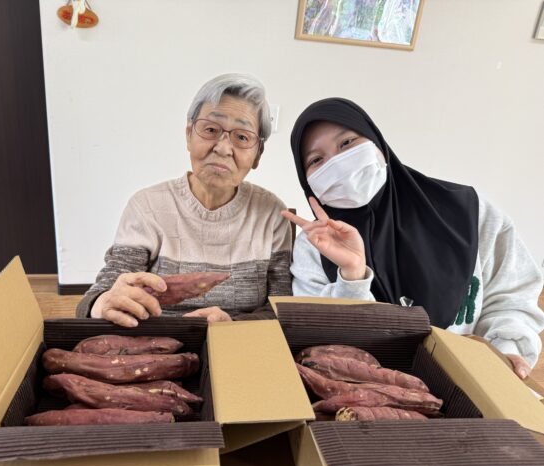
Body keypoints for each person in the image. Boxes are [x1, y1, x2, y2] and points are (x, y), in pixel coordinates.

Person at [282, 98, 544, 379]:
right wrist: (352, 276)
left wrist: (505, 350)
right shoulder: (314, 246)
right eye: (316, 160)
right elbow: (322, 351)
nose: (336, 163)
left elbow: (511, 296)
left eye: (347, 143)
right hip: (364, 391)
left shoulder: (468, 212)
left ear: (377, 144)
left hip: (474, 378)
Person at [76, 73, 292, 326]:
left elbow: (280, 309)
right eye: (210, 130)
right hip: (158, 341)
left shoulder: (272, 215)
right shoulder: (147, 207)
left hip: (238, 343)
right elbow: (103, 294)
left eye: (242, 137)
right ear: (189, 135)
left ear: (258, 155)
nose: (223, 148)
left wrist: (231, 325)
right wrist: (102, 303)